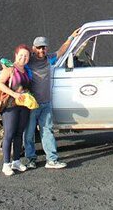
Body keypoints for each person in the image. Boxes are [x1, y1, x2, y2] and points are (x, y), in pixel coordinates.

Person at [24, 29, 80, 169]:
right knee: (29, 133)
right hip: (31, 105)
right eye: (38, 47)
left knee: (47, 131)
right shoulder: (27, 61)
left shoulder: (49, 59)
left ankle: (52, 160)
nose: (41, 50)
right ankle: (31, 159)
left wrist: (71, 37)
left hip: (46, 104)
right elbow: (15, 67)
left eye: (43, 47)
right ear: (33, 48)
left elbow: (61, 51)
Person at [0, 44, 33, 176]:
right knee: (9, 134)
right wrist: (14, 94)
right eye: (21, 55)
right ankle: (6, 164)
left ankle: (16, 161)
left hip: (24, 106)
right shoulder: (10, 69)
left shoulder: (27, 70)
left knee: (19, 134)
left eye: (26, 56)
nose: (23, 58)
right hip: (11, 106)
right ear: (16, 56)